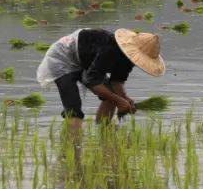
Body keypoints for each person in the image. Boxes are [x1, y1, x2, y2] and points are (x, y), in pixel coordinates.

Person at [36, 28, 165, 128]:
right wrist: (120, 101)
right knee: (73, 108)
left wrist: (124, 98)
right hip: (61, 58)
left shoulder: (128, 59)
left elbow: (117, 82)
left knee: (112, 95)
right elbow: (90, 81)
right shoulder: (110, 49)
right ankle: (74, 148)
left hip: (85, 61)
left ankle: (103, 132)